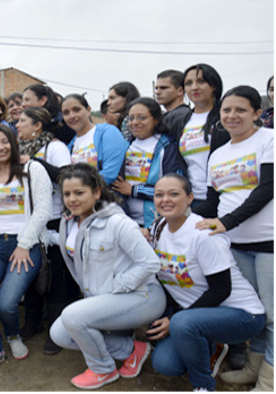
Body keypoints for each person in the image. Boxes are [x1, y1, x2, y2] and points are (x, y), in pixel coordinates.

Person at [48, 163, 166, 390]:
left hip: (141, 296)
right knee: (59, 334)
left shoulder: (117, 222)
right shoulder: (69, 222)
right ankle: (132, 350)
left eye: (79, 193)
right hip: (104, 299)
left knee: (72, 316)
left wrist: (117, 285)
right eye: (67, 194)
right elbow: (70, 247)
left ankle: (102, 369)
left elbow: (150, 263)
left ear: (97, 192)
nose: (72, 199)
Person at [145, 174, 265, 392]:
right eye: (159, 195)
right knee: (166, 364)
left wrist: (175, 321)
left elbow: (221, 289)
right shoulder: (158, 227)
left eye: (174, 194)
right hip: (197, 316)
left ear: (190, 197)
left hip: (243, 315)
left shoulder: (202, 235)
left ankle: (203, 386)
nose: (165, 200)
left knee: (183, 324)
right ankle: (211, 346)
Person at [193, 86, 273, 391]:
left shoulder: (269, 140)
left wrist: (227, 222)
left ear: (256, 113)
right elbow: (212, 202)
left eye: (241, 110)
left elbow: (267, 190)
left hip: (268, 243)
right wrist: (178, 214)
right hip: (234, 245)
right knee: (257, 311)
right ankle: (255, 366)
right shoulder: (219, 154)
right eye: (227, 110)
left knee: (275, 316)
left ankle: (269, 381)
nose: (232, 115)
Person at [0, 124, 52, 374]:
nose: (0, 147)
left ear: (14, 142)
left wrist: (25, 244)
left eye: (4, 141)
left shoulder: (32, 169)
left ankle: (13, 335)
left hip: (24, 244)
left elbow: (43, 210)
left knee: (6, 304)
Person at [15, 107, 80, 354]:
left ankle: (57, 332)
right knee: (31, 272)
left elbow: (67, 177)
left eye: (22, 121)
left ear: (38, 125)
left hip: (53, 219)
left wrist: (34, 163)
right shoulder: (22, 149)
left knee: (54, 277)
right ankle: (32, 322)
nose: (17, 125)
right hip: (28, 221)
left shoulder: (54, 147)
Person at [111, 97, 182, 227]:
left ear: (156, 119)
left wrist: (134, 190)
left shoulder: (168, 146)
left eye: (142, 117)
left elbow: (175, 188)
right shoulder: (124, 146)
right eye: (131, 118)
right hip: (127, 221)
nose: (135, 122)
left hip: (158, 221)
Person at [170, 63, 226, 206]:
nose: (194, 87)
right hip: (192, 198)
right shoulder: (180, 122)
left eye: (201, 81)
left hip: (224, 196)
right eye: (189, 83)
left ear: (213, 85)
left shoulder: (226, 118)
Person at [61, 94, 128, 186]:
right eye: (66, 113)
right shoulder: (70, 145)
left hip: (107, 198)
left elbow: (109, 175)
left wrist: (78, 187)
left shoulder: (108, 133)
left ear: (88, 110)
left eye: (76, 110)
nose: (71, 116)